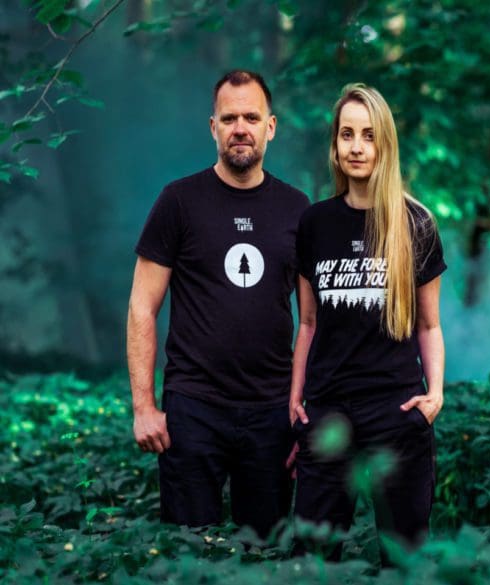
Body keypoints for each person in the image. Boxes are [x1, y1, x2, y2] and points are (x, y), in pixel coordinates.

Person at [127, 70, 309, 539]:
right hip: (193, 409)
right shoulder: (179, 202)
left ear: (271, 126)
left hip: (271, 412)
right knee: (188, 550)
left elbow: (311, 322)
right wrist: (144, 407)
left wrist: (303, 410)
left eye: (252, 116)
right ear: (213, 127)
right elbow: (142, 307)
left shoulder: (297, 209)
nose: (240, 128)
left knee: (264, 553)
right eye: (230, 118)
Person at [290, 83, 447, 560]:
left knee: (405, 556)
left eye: (368, 135)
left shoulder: (414, 223)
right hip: (328, 410)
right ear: (335, 146)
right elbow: (309, 323)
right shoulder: (315, 223)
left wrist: (434, 394)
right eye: (347, 135)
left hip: (396, 411)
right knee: (312, 558)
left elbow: (428, 326)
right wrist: (295, 398)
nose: (357, 146)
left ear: (385, 144)